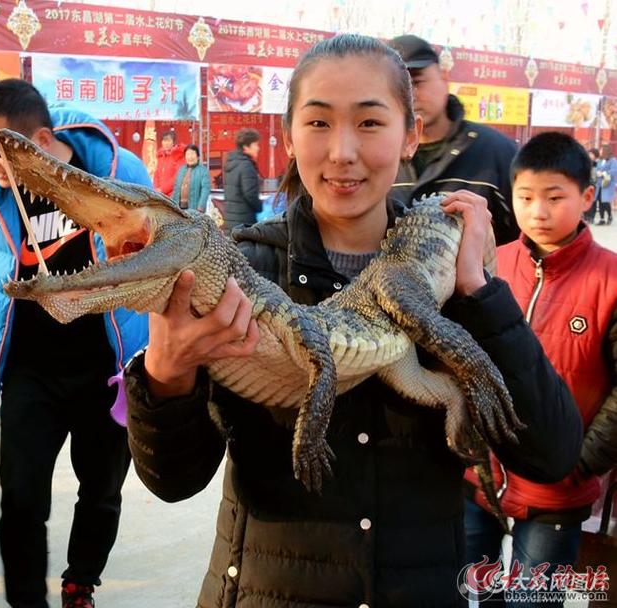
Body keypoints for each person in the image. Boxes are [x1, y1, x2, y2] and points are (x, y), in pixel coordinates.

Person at [123, 34, 582, 608]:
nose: (342, 151)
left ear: (410, 134)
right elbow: (172, 481)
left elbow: (552, 453)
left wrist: (480, 294)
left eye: (369, 123)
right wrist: (166, 377)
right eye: (317, 124)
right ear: (288, 135)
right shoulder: (241, 270)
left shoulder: (452, 276)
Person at [0, 78, 150, 608]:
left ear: (40, 139)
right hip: (28, 369)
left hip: (107, 366)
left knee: (102, 489)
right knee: (20, 497)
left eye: (0, 149)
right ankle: (26, 601)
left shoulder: (117, 174)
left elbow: (161, 259)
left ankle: (80, 581)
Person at [463, 132, 617, 607]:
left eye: (555, 198)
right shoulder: (487, 264)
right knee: (472, 596)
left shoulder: (610, 280)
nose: (538, 212)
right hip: (477, 481)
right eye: (525, 198)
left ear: (587, 197)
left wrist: (580, 460)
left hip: (557, 495)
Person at [388, 34, 520, 245]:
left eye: (417, 82)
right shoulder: (377, 157)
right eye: (399, 87)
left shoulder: (497, 152)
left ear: (444, 77)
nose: (410, 96)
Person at [222, 127, 261, 231]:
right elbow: (250, 194)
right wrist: (260, 207)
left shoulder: (231, 163)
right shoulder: (246, 165)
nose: (258, 148)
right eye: (256, 145)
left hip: (231, 219)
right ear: (246, 147)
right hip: (244, 220)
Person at [171, 144, 211, 212]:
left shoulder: (203, 171)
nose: (190, 157)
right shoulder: (181, 170)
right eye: (188, 154)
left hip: (195, 209)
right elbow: (175, 189)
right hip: (179, 208)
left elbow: (205, 190)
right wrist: (171, 203)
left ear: (198, 156)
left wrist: (201, 205)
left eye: (192, 154)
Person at [153, 130, 185, 197]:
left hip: (172, 195)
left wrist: (162, 190)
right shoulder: (160, 157)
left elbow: (177, 177)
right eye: (164, 141)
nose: (166, 143)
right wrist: (156, 189)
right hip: (159, 195)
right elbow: (156, 174)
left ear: (173, 142)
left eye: (168, 141)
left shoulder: (178, 156)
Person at [596, 143, 616, 225]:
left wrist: (603, 173)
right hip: (599, 183)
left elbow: (614, 171)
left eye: (601, 150)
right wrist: (597, 173)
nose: (600, 151)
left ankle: (610, 215)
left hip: (607, 183)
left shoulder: (613, 160)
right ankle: (602, 219)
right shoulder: (600, 160)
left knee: (605, 201)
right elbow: (597, 168)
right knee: (600, 200)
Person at [586, 148, 602, 224]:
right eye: (589, 154)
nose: (589, 156)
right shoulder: (586, 162)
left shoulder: (598, 163)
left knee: (593, 201)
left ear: (595, 155)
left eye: (591, 154)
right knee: (585, 199)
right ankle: (586, 216)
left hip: (594, 184)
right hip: (586, 183)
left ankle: (591, 217)